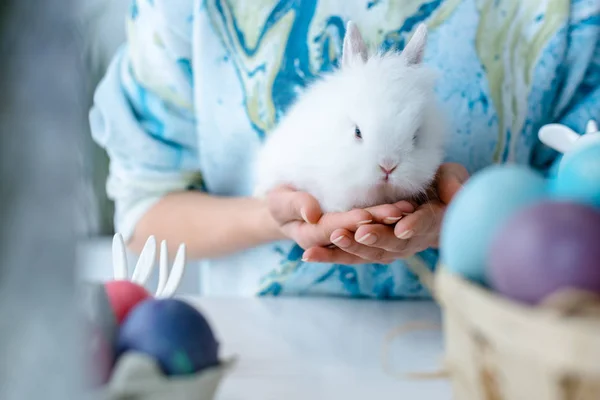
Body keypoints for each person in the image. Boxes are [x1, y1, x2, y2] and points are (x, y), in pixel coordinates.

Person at [90, 0, 599, 297]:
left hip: (472, 343)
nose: (387, 164)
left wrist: (464, 219)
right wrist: (274, 217)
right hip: (264, 344)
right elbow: (142, 209)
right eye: (361, 137)